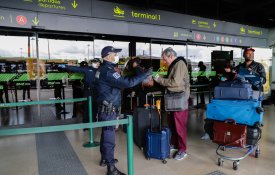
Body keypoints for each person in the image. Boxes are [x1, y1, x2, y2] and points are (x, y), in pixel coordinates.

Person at [95, 46, 152, 175]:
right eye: (115, 53)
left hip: (105, 107)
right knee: (109, 138)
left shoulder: (101, 69)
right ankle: (111, 168)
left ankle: (105, 159)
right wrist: (144, 74)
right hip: (108, 109)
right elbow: (127, 83)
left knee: (105, 135)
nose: (117, 56)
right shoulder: (109, 71)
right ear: (108, 55)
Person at [153, 48, 190, 161]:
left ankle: (182, 150)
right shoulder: (174, 64)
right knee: (173, 124)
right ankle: (175, 144)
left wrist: (159, 79)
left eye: (165, 59)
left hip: (179, 99)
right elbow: (172, 80)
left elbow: (175, 83)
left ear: (170, 56)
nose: (164, 62)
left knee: (179, 126)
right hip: (174, 99)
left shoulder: (179, 64)